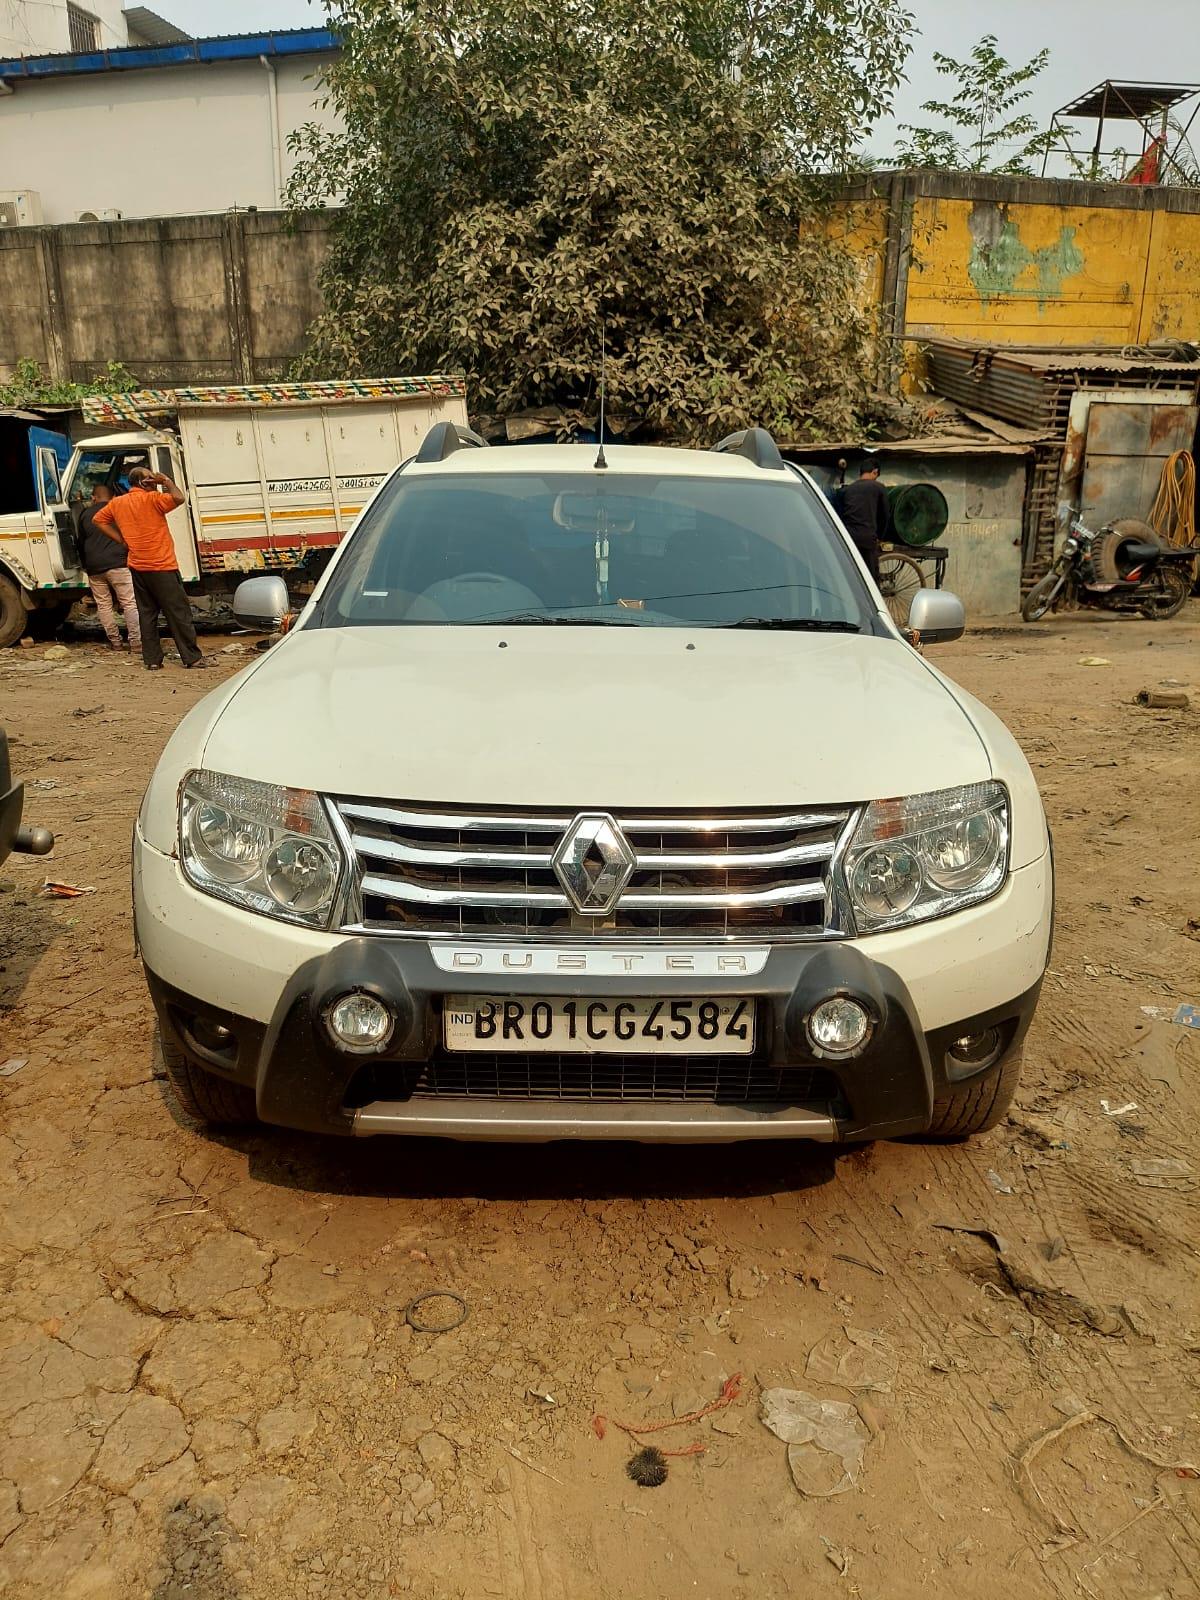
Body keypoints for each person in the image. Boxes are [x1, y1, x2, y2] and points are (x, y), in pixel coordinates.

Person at [92, 467, 206, 671]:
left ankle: (152, 660)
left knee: (147, 614)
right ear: (145, 483)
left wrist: (121, 540)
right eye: (150, 477)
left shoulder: (118, 503)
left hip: (138, 567)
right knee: (178, 614)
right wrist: (167, 481)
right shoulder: (153, 499)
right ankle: (192, 658)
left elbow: (98, 520)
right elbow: (179, 498)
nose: (153, 479)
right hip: (162, 566)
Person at [78, 484, 142, 654]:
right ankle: (136, 643)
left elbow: (80, 541)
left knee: (104, 605)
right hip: (119, 564)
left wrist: (85, 565)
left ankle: (116, 643)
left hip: (95, 567)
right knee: (129, 603)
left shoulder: (85, 514)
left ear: (93, 497)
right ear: (113, 497)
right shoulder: (118, 508)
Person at [837, 459, 890, 584]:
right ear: (875, 472)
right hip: (867, 538)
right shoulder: (879, 488)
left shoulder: (847, 490)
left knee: (850, 575)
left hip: (848, 538)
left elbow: (840, 514)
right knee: (871, 578)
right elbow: (885, 516)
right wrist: (880, 536)